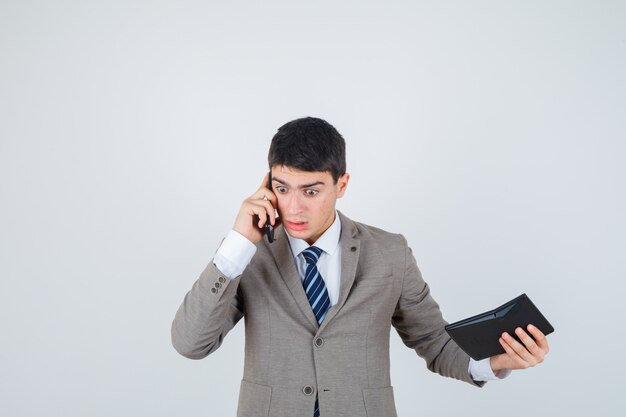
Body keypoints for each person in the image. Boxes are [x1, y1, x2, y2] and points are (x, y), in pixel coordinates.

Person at [171, 117, 549, 417]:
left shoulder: (390, 253)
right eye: (283, 188)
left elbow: (435, 343)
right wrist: (237, 244)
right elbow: (191, 344)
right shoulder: (245, 255)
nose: (295, 207)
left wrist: (496, 361)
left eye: (312, 191)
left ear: (342, 184)